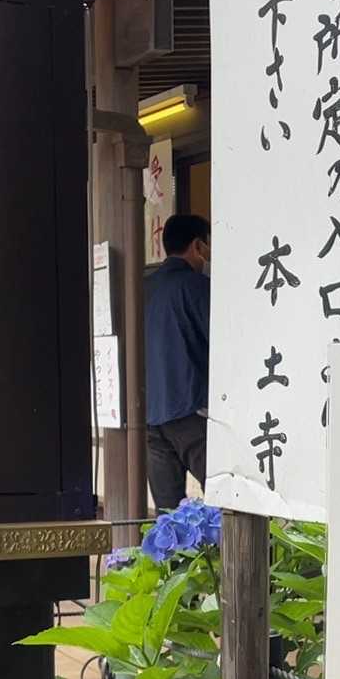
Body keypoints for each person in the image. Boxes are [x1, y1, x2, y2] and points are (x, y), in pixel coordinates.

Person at [144, 212, 211, 509]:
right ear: (198, 246)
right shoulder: (196, 286)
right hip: (190, 410)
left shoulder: (145, 287)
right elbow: (220, 342)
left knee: (169, 516)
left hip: (150, 416)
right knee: (229, 500)